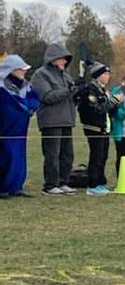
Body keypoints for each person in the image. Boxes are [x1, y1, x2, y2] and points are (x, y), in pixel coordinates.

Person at [30, 42, 77, 196]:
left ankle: (63, 182)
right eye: (62, 58)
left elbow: (70, 96)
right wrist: (67, 91)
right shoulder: (40, 75)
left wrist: (78, 92)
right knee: (52, 154)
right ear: (53, 59)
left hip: (67, 119)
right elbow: (47, 97)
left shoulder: (66, 75)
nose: (65, 62)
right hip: (51, 121)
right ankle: (50, 185)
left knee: (67, 154)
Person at [0, 54, 41, 199]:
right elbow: (8, 104)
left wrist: (30, 107)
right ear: (12, 70)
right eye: (21, 70)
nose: (24, 72)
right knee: (5, 157)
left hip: (20, 128)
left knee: (19, 157)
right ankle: (3, 187)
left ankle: (17, 186)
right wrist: (22, 106)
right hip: (5, 129)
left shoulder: (26, 86)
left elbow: (34, 99)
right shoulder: (2, 86)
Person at [76, 60, 118, 195]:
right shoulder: (91, 90)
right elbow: (96, 109)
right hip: (94, 127)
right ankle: (92, 184)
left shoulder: (104, 90)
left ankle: (100, 182)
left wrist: (114, 105)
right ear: (98, 75)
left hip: (105, 127)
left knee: (103, 156)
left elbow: (108, 109)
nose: (108, 76)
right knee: (96, 156)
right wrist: (113, 102)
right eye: (105, 74)